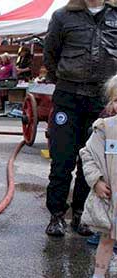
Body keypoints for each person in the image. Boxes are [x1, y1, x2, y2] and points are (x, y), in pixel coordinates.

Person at [43, 0, 117, 237]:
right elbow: (50, 56)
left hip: (102, 100)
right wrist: (66, 80)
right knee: (62, 157)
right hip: (68, 96)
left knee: (94, 159)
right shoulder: (62, 16)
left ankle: (80, 214)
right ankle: (56, 215)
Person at [79, 74, 117, 278]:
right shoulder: (104, 128)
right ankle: (98, 274)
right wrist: (96, 181)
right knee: (106, 239)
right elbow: (88, 155)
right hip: (111, 197)